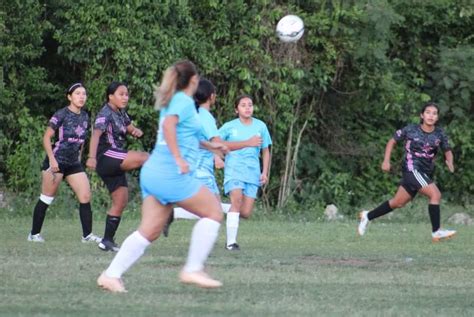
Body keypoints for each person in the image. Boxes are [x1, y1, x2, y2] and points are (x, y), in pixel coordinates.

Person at [97, 60, 227, 293]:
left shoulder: (175, 101)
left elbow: (185, 135)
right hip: (170, 173)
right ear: (194, 80)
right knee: (214, 211)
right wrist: (178, 158)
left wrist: (212, 147)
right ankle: (193, 268)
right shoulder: (184, 102)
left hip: (154, 173)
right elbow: (169, 127)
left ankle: (111, 275)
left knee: (149, 231)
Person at [357, 102, 456, 242]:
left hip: (424, 172)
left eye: (434, 113)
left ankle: (367, 216)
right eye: (428, 112)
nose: (431, 115)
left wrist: (449, 161)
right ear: (422, 115)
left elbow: (447, 150)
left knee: (398, 203)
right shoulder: (411, 129)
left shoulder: (440, 133)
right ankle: (436, 232)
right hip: (412, 169)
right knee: (435, 194)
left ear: (437, 117)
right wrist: (386, 160)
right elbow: (392, 141)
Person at [28, 83, 101, 244]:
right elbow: (46, 137)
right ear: (69, 97)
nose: (81, 97)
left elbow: (81, 141)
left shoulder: (85, 116)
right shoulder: (61, 114)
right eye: (77, 94)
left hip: (73, 163)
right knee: (47, 198)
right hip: (56, 161)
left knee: (85, 195)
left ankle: (87, 236)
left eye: (84, 94)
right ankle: (34, 234)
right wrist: (52, 160)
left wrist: (79, 159)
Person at [86, 82, 149, 252]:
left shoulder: (120, 112)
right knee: (144, 157)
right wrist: (91, 157)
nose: (125, 97)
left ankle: (107, 241)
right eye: (121, 94)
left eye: (127, 94)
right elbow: (96, 135)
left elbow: (128, 126)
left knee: (121, 201)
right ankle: (161, 197)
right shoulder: (104, 113)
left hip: (115, 160)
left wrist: (134, 130)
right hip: (106, 156)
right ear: (110, 96)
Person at [218, 94, 272, 250]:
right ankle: (231, 243)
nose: (248, 107)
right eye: (243, 105)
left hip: (252, 172)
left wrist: (264, 172)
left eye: (250, 104)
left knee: (245, 212)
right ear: (236, 109)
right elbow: (215, 142)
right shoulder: (229, 126)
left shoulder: (260, 126)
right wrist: (218, 157)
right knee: (236, 202)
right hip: (234, 169)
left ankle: (217, 207)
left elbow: (266, 151)